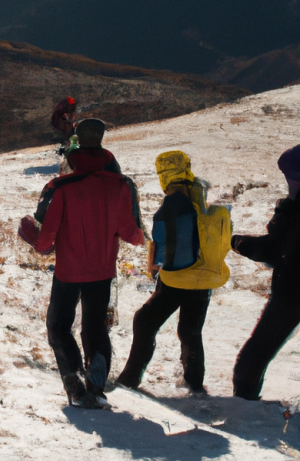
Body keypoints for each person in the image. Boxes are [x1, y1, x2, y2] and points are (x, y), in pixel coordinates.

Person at [31, 118, 145, 408]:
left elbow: (46, 240)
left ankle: (75, 384)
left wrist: (32, 238)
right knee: (94, 328)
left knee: (58, 327)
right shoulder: (119, 185)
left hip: (69, 271)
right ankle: (96, 379)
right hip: (102, 270)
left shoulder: (61, 186)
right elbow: (133, 235)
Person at [117, 151, 230, 395]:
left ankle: (129, 379)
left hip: (177, 276)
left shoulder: (174, 199)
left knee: (144, 321)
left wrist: (156, 266)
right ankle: (194, 383)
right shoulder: (198, 194)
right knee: (190, 330)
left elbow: (163, 239)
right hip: (203, 276)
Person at [231, 145, 300, 400]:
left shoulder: (294, 211)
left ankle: (245, 409)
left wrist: (235, 241)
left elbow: (273, 250)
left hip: (291, 292)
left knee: (253, 358)